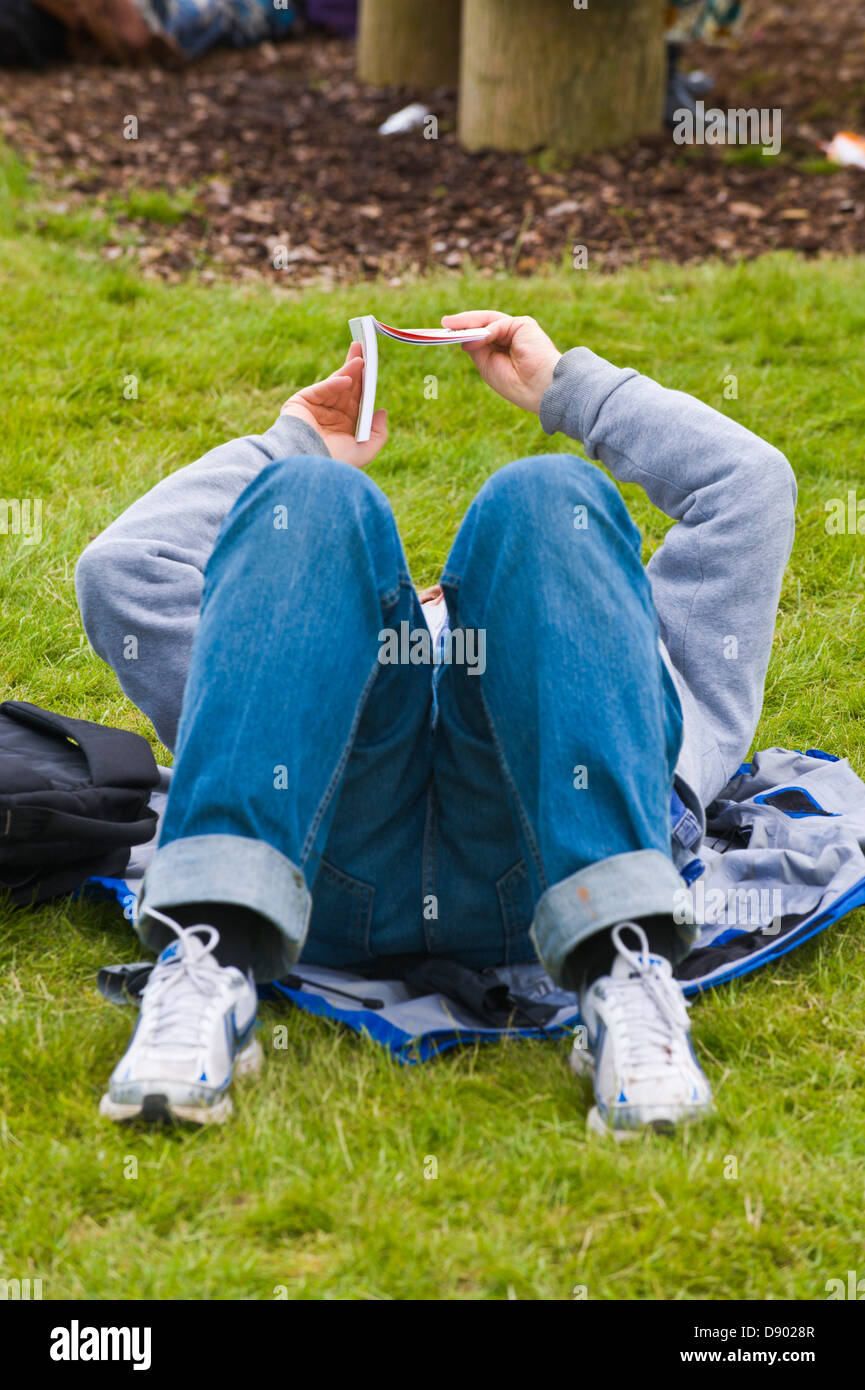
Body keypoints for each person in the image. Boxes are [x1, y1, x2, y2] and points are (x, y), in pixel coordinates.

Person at [75, 311, 796, 1137]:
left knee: (545, 496)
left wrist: (570, 389)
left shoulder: (626, 638)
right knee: (312, 498)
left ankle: (622, 976)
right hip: (327, 872)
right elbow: (121, 573)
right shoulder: (301, 661)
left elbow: (749, 487)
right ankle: (212, 960)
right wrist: (294, 447)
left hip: (563, 873)